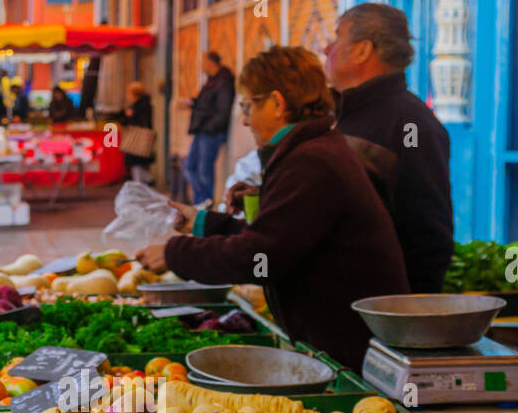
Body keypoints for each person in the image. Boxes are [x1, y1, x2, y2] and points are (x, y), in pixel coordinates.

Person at [136, 46, 409, 371]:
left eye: (248, 105)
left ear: (278, 103)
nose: (244, 118)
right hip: (340, 338)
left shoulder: (310, 159)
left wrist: (175, 253)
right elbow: (279, 237)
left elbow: (259, 255)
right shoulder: (313, 148)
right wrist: (204, 223)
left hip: (348, 347)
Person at [323, 3, 454, 293]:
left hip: (376, 311)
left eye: (337, 37)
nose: (326, 48)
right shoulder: (339, 117)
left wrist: (405, 317)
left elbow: (428, 234)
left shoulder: (410, 123)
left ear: (362, 50)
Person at [180, 51, 235, 205]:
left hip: (210, 132)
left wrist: (210, 127)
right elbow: (208, 104)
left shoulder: (223, 82)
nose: (201, 66)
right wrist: (194, 103)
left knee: (204, 170)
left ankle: (204, 203)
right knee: (189, 166)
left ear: (211, 62)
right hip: (202, 129)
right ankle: (202, 201)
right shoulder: (212, 81)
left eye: (203, 62)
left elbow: (223, 109)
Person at [121, 81, 154, 183]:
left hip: (138, 136)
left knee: (136, 161)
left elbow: (139, 119)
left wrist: (130, 114)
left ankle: (140, 183)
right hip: (140, 135)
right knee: (137, 162)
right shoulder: (143, 104)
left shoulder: (140, 105)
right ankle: (144, 180)